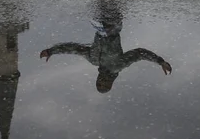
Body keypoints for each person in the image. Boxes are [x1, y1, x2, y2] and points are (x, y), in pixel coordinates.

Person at [40, 21, 172, 94]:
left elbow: (74, 48)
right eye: (105, 84)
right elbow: (139, 53)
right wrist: (160, 61)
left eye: (99, 83)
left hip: (98, 25)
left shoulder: (94, 60)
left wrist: (51, 51)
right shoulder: (118, 65)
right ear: (111, 83)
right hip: (113, 26)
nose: (102, 81)